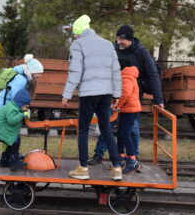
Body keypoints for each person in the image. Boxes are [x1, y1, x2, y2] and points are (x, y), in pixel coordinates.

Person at [88, 24, 164, 165]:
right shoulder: (112, 48)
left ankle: (133, 157)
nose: (119, 42)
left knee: (131, 130)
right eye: (117, 38)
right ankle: (98, 154)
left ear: (130, 39)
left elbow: (153, 74)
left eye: (122, 39)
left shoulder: (141, 52)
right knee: (107, 125)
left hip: (132, 98)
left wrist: (158, 98)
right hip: (112, 96)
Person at [62, 14, 123, 181]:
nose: (73, 35)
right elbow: (115, 71)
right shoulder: (107, 44)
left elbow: (75, 70)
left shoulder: (78, 44)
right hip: (106, 94)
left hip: (88, 94)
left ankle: (83, 168)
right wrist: (117, 93)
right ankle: (117, 168)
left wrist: (67, 94)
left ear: (78, 31)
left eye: (74, 32)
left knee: (83, 130)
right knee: (106, 129)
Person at [0, 89, 31, 171]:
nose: (26, 108)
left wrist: (26, 114)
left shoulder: (13, 106)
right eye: (25, 106)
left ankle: (4, 161)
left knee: (11, 142)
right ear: (20, 103)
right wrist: (23, 114)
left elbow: (26, 116)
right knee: (15, 141)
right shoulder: (12, 109)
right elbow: (12, 121)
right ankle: (14, 162)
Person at [114, 58, 142, 174]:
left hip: (130, 110)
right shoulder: (128, 75)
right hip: (128, 109)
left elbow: (125, 93)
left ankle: (132, 161)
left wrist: (117, 106)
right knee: (120, 134)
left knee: (125, 135)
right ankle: (121, 159)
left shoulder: (126, 76)